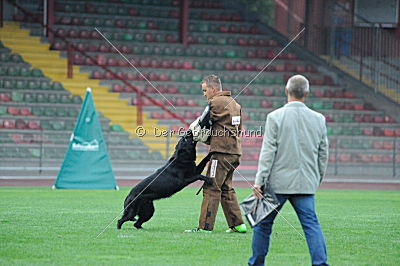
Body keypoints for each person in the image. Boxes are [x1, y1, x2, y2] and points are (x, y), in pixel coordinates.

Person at [249, 75, 329, 265]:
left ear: (286, 91)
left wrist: (259, 181)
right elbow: (323, 154)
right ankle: (320, 263)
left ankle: (256, 263)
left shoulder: (274, 117)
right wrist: (316, 178)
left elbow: (268, 152)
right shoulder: (319, 119)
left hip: (277, 183)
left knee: (263, 225)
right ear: (307, 93)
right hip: (306, 183)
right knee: (311, 226)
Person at [185, 74, 247, 233]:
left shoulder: (214, 103)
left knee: (211, 187)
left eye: (205, 90)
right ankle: (238, 225)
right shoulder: (236, 104)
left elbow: (202, 123)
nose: (204, 94)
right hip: (235, 153)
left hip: (221, 153)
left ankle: (205, 227)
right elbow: (239, 130)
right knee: (226, 188)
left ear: (213, 89)